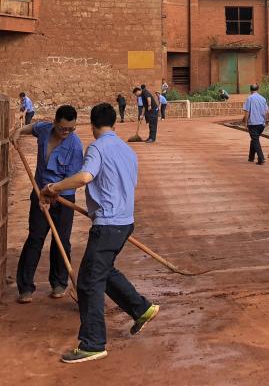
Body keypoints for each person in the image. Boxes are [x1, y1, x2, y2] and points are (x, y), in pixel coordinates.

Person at [41, 102, 159, 364]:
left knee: (88, 281)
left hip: (108, 224)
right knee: (103, 271)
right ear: (114, 124)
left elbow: (85, 177)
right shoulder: (127, 150)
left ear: (92, 126)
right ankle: (141, 308)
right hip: (124, 221)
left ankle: (93, 343)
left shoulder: (97, 147)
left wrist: (53, 187)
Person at [11, 105, 84, 302]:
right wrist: (18, 132)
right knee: (35, 238)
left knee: (61, 240)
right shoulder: (44, 130)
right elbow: (31, 128)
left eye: (71, 128)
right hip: (39, 193)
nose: (66, 132)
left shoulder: (75, 146)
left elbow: (73, 180)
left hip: (63, 198)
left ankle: (59, 283)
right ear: (54, 123)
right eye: (63, 128)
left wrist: (52, 196)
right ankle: (25, 287)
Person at [242, 84, 269, 166]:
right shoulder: (263, 99)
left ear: (250, 90)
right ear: (258, 89)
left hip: (253, 123)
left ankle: (261, 158)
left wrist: (245, 122)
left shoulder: (249, 98)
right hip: (261, 124)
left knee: (255, 140)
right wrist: (265, 121)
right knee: (254, 139)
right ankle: (251, 157)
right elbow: (266, 112)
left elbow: (247, 112)